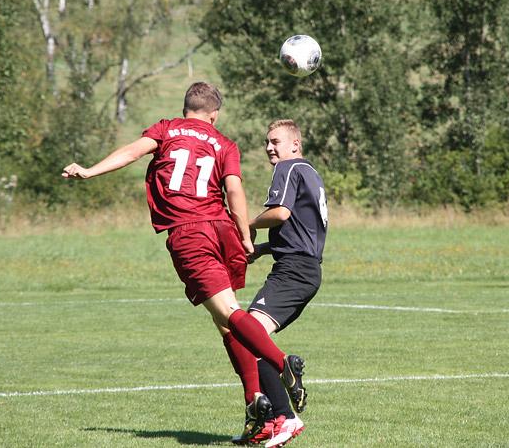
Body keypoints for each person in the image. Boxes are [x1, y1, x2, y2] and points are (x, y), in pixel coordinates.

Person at [61, 83, 306, 439]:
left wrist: (89, 171)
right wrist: (243, 234)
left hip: (190, 232)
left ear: (185, 107)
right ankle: (256, 406)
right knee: (226, 324)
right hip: (221, 229)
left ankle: (283, 364)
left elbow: (131, 153)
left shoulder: (167, 129)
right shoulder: (224, 144)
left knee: (228, 313)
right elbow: (233, 189)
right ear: (214, 114)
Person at [233, 119, 328, 448]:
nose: (269, 147)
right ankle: (270, 421)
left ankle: (284, 417)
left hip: (294, 270)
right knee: (251, 336)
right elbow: (301, 231)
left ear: (295, 144)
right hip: (305, 269)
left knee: (249, 334)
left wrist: (248, 223)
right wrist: (262, 249)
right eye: (267, 142)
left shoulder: (288, 168)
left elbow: (281, 213)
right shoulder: (311, 173)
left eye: (276, 141)